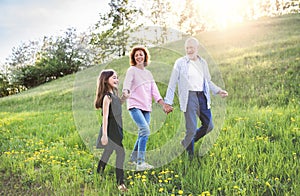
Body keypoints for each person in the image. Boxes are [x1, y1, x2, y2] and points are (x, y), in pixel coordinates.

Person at [164, 37, 228, 158]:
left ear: (197, 48)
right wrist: (168, 101)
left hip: (202, 96)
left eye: (191, 47)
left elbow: (208, 81)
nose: (189, 50)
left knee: (209, 126)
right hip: (189, 97)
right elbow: (172, 83)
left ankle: (186, 143)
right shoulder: (180, 62)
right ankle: (190, 157)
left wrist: (219, 90)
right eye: (187, 48)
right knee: (191, 129)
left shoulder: (203, 63)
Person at [122, 45, 171, 171]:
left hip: (146, 107)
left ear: (145, 56)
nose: (139, 56)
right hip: (134, 105)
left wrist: (163, 104)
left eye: (141, 54)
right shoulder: (131, 70)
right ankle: (140, 162)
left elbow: (154, 91)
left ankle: (133, 160)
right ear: (133, 57)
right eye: (136, 55)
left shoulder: (148, 73)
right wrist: (126, 91)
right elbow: (127, 83)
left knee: (142, 133)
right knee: (145, 131)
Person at [94, 69, 128, 192]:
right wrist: (104, 135)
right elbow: (105, 117)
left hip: (117, 128)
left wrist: (124, 98)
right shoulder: (107, 97)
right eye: (113, 77)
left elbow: (118, 105)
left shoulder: (113, 95)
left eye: (117, 77)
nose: (116, 79)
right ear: (106, 80)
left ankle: (99, 171)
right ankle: (120, 182)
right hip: (110, 130)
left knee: (108, 152)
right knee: (121, 153)